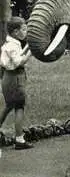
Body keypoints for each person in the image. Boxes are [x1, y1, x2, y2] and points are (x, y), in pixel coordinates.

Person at [0, 17, 34, 149]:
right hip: (15, 78)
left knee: (8, 106)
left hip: (8, 78)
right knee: (19, 107)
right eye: (24, 29)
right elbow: (18, 62)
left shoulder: (10, 44)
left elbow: (18, 55)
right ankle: (19, 139)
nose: (25, 32)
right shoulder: (12, 46)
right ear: (15, 32)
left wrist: (27, 47)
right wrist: (31, 52)